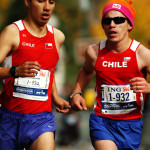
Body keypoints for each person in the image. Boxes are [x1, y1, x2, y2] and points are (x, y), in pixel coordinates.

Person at [71, 0, 150, 150]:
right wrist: (76, 92)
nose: (112, 24)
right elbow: (86, 71)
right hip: (102, 121)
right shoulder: (93, 52)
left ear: (130, 25)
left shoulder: (143, 55)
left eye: (119, 20)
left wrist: (149, 87)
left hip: (131, 125)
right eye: (107, 21)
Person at [0, 0, 70, 149]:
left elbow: (48, 70)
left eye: (51, 2)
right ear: (28, 2)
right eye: (40, 1)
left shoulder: (58, 37)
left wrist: (55, 96)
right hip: (9, 118)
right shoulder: (12, 32)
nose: (46, 7)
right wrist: (14, 71)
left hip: (41, 120)